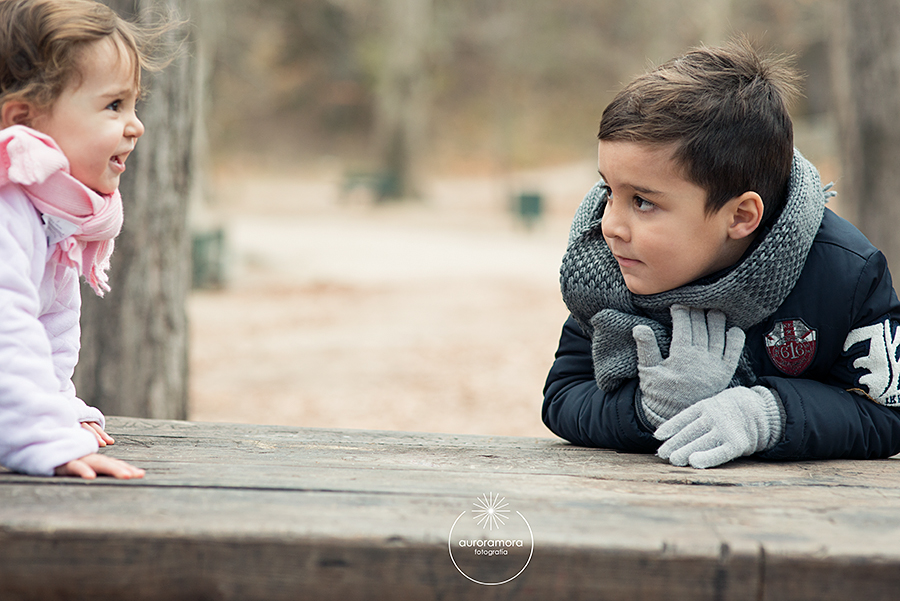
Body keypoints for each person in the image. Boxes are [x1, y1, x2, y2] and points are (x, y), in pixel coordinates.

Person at [542, 38, 900, 469]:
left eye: (642, 201)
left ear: (740, 216)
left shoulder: (846, 276)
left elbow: (887, 412)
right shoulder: (606, 268)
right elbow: (563, 395)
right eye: (608, 190)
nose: (610, 225)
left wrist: (767, 415)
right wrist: (646, 411)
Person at [0, 0, 167, 478]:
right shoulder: (6, 210)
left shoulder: (49, 215)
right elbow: (6, 331)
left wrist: (58, 410)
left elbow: (49, 326)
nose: (136, 126)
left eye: (134, 105)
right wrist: (43, 438)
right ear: (24, 120)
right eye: (114, 105)